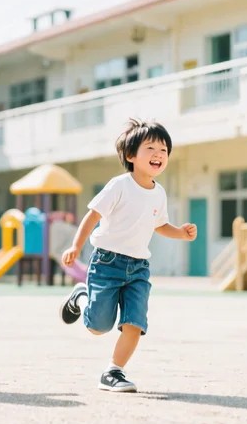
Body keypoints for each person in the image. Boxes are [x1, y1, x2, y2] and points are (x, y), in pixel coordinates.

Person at [59, 118, 197, 393]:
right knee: (98, 327)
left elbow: (160, 226)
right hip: (107, 263)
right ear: (131, 156)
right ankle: (81, 296)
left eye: (164, 150)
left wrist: (180, 233)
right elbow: (93, 215)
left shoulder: (159, 193)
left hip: (138, 268)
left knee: (134, 323)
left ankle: (114, 372)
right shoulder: (119, 185)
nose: (158, 154)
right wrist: (76, 245)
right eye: (150, 148)